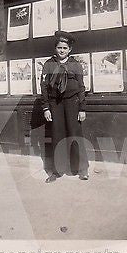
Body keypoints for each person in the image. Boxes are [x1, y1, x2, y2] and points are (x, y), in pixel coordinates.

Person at [40, 31, 89, 183]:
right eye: (59, 47)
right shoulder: (49, 64)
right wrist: (46, 108)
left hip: (72, 103)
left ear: (70, 50)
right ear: (55, 48)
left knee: (75, 134)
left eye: (65, 48)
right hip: (55, 104)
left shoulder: (75, 64)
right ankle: (57, 170)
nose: (62, 50)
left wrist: (82, 108)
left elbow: (81, 87)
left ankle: (81, 169)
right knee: (57, 134)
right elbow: (44, 88)